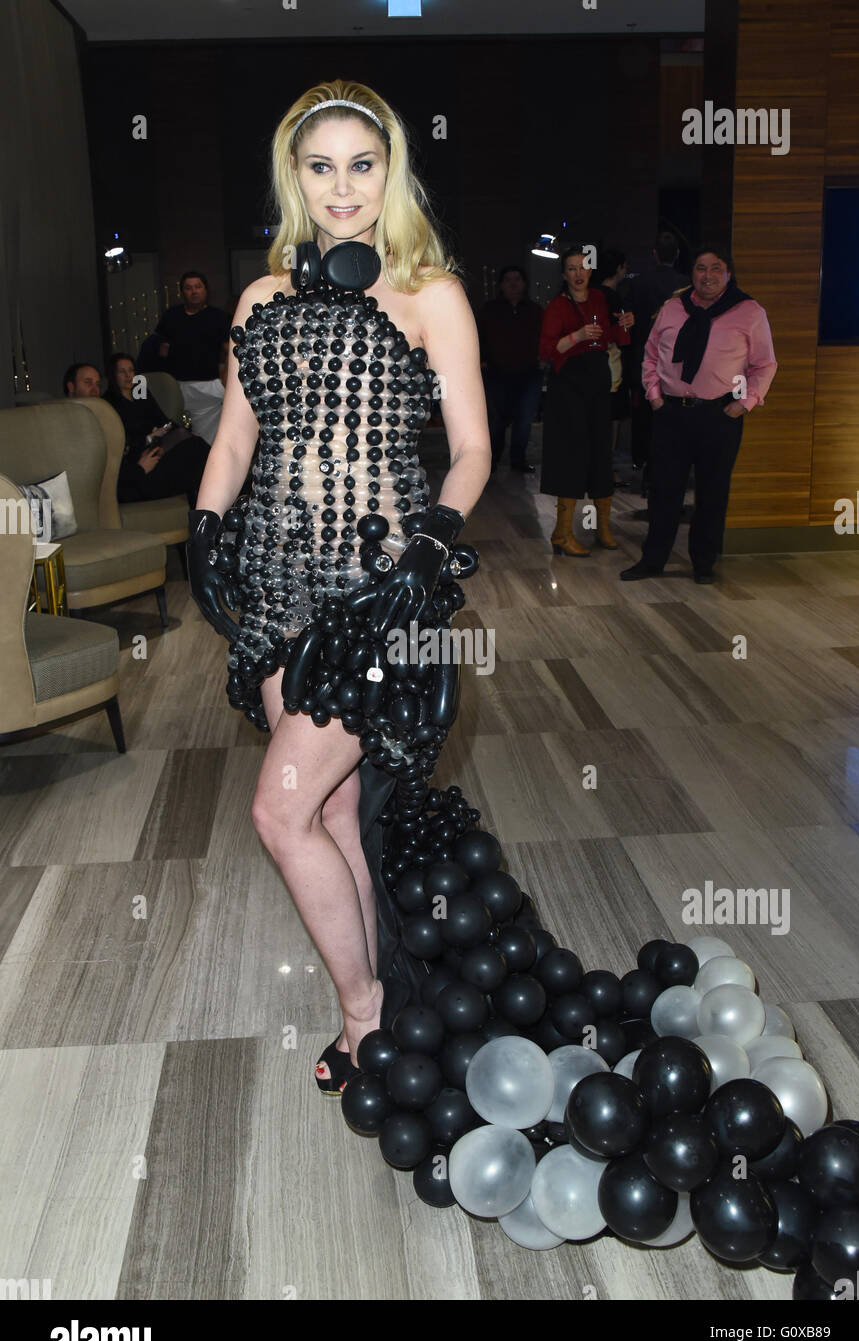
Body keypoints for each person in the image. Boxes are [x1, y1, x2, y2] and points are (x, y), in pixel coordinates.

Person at [187, 79, 490, 1092]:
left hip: (374, 593)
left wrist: (430, 544)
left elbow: (474, 448)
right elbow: (235, 436)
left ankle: (362, 1012)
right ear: (295, 176)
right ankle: (382, 1007)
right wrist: (203, 528)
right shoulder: (260, 300)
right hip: (274, 584)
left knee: (279, 813)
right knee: (328, 811)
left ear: (390, 171)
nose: (343, 188)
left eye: (362, 164)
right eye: (321, 166)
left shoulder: (430, 293)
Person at [620, 244, 777, 584]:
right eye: (701, 268)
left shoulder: (748, 311)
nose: (708, 275)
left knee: (712, 492)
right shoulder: (673, 308)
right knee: (664, 491)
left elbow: (765, 364)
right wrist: (655, 396)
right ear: (691, 274)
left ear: (728, 274)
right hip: (671, 414)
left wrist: (744, 404)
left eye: (716, 268)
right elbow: (649, 355)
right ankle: (653, 560)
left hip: (719, 415)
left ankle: (704, 563)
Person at [539, 246, 631, 555]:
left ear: (591, 271)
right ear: (564, 274)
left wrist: (624, 325)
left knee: (600, 455)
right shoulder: (556, 306)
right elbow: (546, 350)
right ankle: (562, 533)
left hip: (597, 387)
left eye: (583, 267)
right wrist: (578, 336)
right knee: (572, 455)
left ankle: (603, 528)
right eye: (572, 268)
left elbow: (609, 335)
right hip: (569, 391)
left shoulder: (600, 299)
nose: (579, 274)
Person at [103, 352, 210, 508]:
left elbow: (164, 420)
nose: (128, 375)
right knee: (195, 452)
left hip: (158, 448)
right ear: (114, 375)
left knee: (194, 444)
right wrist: (148, 437)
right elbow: (121, 444)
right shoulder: (109, 405)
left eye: (131, 370)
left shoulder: (141, 394)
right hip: (140, 460)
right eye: (122, 371)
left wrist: (172, 430)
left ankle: (204, 504)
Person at [628, 232, 690, 485]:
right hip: (678, 362)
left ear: (655, 254)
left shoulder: (639, 283)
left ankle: (645, 466)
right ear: (677, 254)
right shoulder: (686, 284)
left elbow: (629, 322)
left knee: (645, 417)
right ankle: (671, 472)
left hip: (644, 356)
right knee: (674, 421)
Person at [476, 265, 543, 473]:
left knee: (524, 419)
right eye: (508, 280)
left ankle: (518, 460)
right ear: (501, 285)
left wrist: (542, 359)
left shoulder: (535, 311)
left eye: (517, 279)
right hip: (496, 372)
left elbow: (544, 338)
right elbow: (478, 337)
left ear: (524, 283)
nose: (513, 284)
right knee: (496, 419)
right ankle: (492, 460)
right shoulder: (490, 310)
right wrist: (482, 360)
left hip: (529, 373)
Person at [592, 248, 635, 463]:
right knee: (611, 416)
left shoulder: (593, 294)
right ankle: (606, 466)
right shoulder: (613, 297)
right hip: (611, 363)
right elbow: (619, 335)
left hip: (596, 363)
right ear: (618, 269)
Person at [153, 272, 231, 383]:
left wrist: (225, 377)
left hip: (209, 382)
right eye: (188, 288)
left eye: (198, 287)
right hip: (177, 381)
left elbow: (229, 350)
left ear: (205, 290)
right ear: (182, 292)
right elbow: (162, 349)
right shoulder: (171, 315)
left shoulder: (219, 316)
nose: (194, 292)